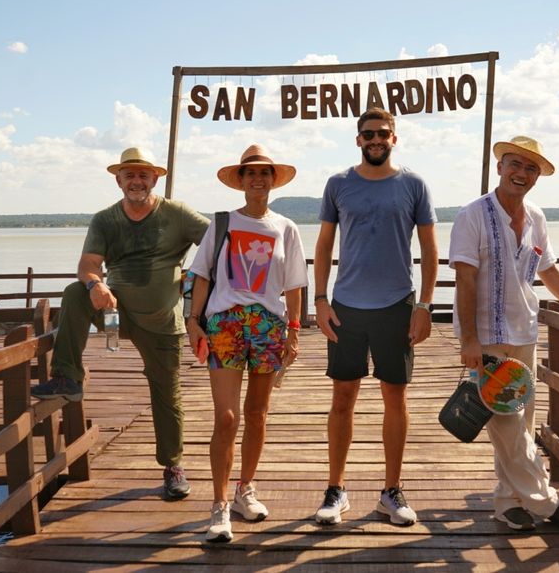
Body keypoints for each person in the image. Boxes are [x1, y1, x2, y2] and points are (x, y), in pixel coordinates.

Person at [31, 147, 208, 501]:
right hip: (117, 315)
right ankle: (69, 377)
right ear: (118, 181)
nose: (137, 181)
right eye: (130, 175)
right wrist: (96, 283)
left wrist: (202, 294)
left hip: (163, 323)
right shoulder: (105, 219)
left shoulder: (178, 214)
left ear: (155, 179)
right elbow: (87, 264)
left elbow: (219, 244)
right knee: (74, 292)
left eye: (143, 175)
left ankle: (173, 467)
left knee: (167, 395)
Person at [449, 135, 559, 532]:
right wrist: (468, 341)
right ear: (500, 167)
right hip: (487, 337)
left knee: (521, 421)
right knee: (507, 421)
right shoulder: (472, 215)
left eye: (531, 168)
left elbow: (546, 270)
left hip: (524, 330)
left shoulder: (536, 218)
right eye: (515, 164)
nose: (522, 173)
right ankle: (546, 504)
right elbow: (465, 279)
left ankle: (506, 501)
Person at [312, 108, 438, 527]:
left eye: (383, 133)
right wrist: (320, 300)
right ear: (358, 140)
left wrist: (424, 306)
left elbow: (431, 249)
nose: (376, 139)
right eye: (368, 134)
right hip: (346, 307)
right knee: (342, 399)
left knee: (395, 398)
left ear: (394, 138)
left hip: (396, 305)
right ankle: (335, 489)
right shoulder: (338, 184)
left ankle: (392, 491)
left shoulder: (414, 184)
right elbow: (326, 244)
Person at [185, 145, 307, 543]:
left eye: (265, 172)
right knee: (226, 418)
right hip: (225, 326)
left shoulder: (286, 228)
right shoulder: (222, 223)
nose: (258, 179)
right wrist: (193, 321)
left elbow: (294, 286)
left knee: (257, 413)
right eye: (250, 173)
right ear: (240, 181)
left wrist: (293, 330)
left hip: (269, 327)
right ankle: (219, 505)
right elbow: (200, 275)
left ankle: (244, 490)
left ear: (273, 180)